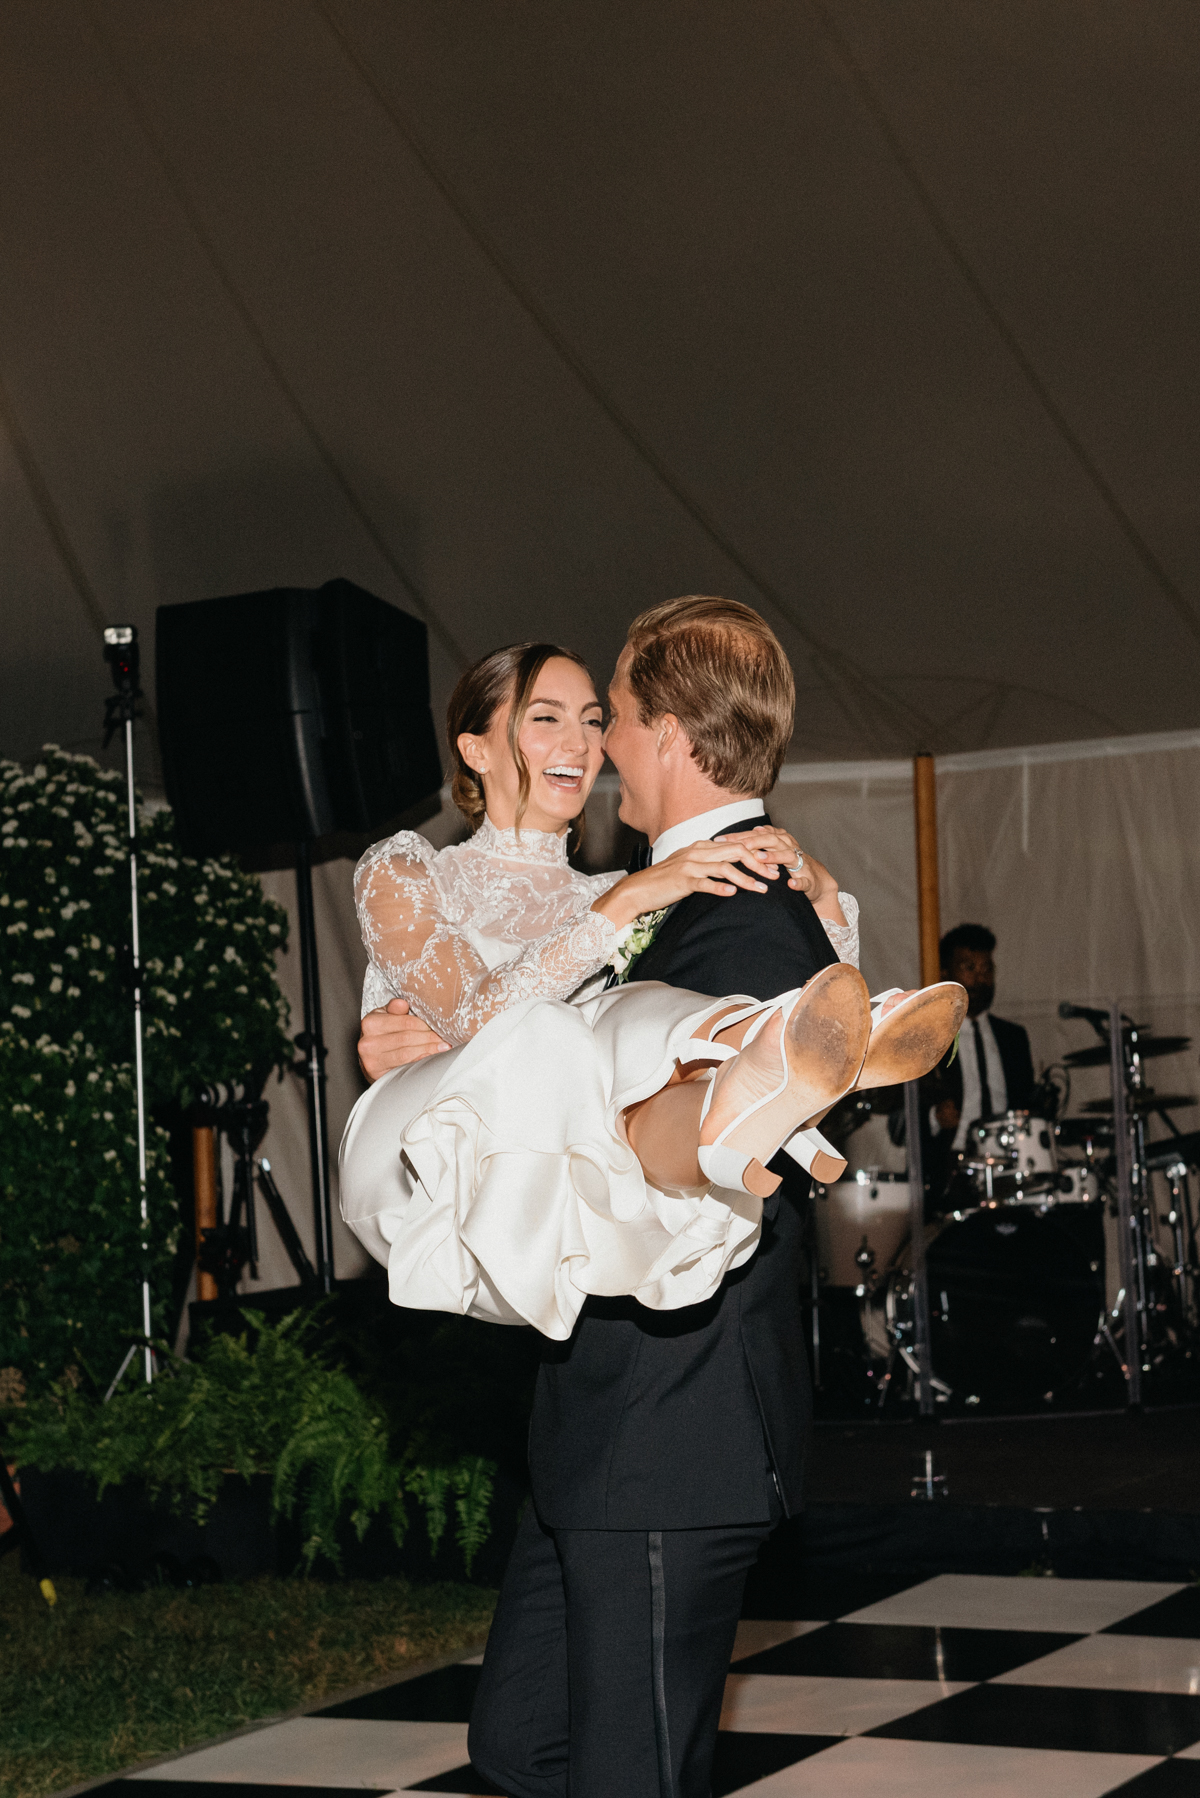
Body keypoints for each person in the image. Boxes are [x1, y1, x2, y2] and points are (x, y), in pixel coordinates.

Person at [339, 598, 965, 1798]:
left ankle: (749, 1080)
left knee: (628, 1773)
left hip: (671, 1429)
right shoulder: (657, 891)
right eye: (561, 719)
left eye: (612, 716)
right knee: (522, 1743)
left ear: (668, 735)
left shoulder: (738, 902)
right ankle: (746, 1072)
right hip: (598, 1420)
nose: (600, 744)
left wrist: (815, 926)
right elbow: (509, 1019)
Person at [925, 922, 1035, 1194]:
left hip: (1008, 1167)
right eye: (969, 968)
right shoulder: (930, 1036)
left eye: (987, 969)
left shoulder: (1013, 1038)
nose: (980, 979)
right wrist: (935, 1118)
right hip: (951, 1171)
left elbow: (1026, 1103)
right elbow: (901, 1119)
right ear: (946, 972)